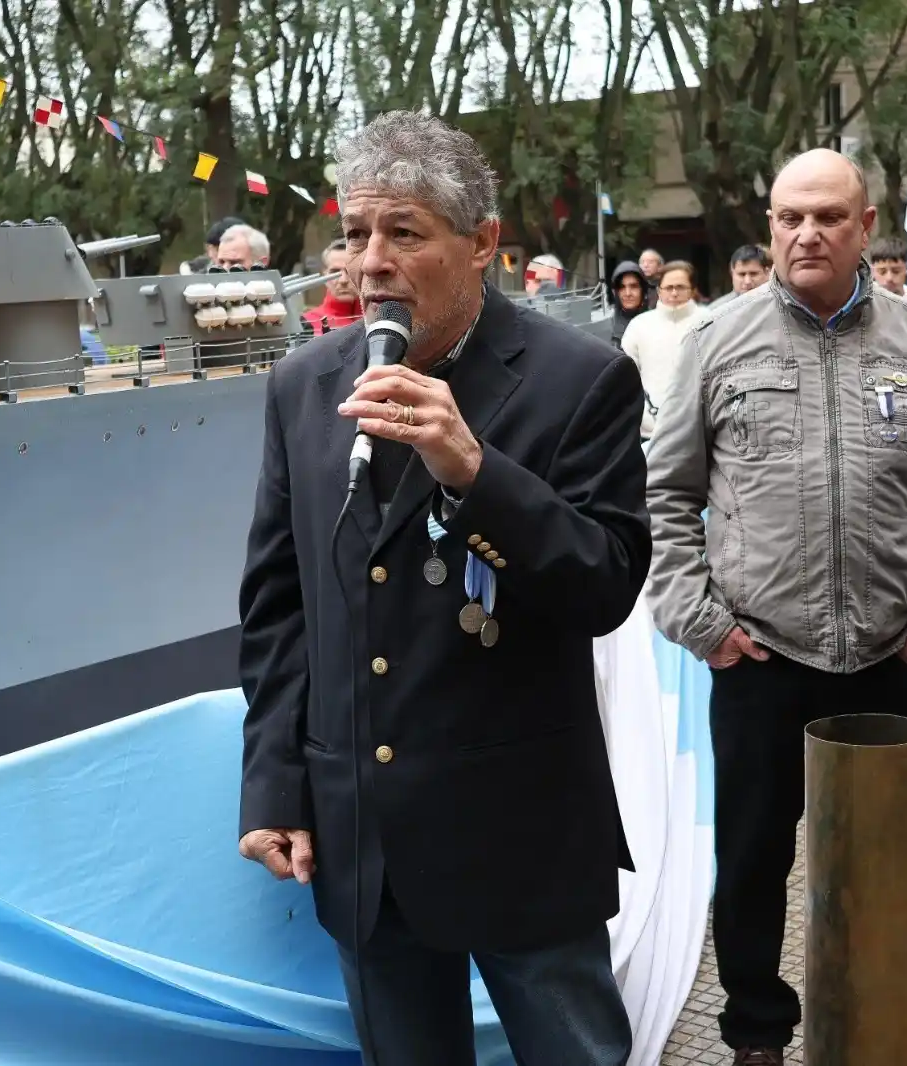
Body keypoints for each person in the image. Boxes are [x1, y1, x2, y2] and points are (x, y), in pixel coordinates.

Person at [237, 109, 648, 1066]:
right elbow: (277, 608)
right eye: (353, 233)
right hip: (361, 840)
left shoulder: (578, 380)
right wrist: (274, 785)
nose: (369, 262)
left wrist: (476, 475)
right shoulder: (303, 387)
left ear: (484, 245)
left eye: (404, 233)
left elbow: (606, 586)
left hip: (521, 834)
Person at [646, 148, 907, 1066]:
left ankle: (868, 1023)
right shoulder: (718, 339)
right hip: (757, 655)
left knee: (872, 859)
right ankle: (756, 1034)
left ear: (865, 226)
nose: (805, 233)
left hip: (883, 655)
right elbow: (667, 492)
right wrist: (700, 623)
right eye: (788, 216)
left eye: (828, 216)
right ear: (769, 225)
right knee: (752, 862)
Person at [618, 259, 709, 439]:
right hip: (649, 430)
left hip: (700, 430)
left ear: (692, 289)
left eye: (680, 287)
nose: (674, 293)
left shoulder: (710, 320)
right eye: (669, 287)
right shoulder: (639, 325)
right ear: (659, 290)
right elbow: (626, 377)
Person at [302, 237, 363, 335]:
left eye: (351, 271)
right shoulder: (306, 323)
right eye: (335, 272)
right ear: (324, 275)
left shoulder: (380, 319)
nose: (343, 280)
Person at [609, 259, 649, 348]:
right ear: (615, 292)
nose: (628, 293)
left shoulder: (657, 325)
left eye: (633, 286)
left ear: (643, 290)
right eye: (622, 287)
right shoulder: (606, 328)